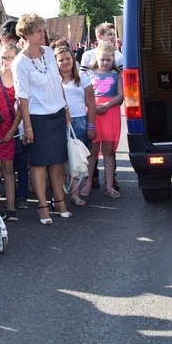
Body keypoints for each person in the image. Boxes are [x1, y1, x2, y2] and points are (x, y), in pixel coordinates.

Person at [12, 13, 72, 225]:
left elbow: (57, 83)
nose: (42, 33)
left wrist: (65, 108)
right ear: (27, 34)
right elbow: (23, 97)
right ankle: (43, 207)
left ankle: (60, 202)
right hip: (36, 118)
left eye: (42, 29)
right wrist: (27, 126)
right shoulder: (19, 62)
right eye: (38, 30)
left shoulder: (48, 52)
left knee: (57, 161)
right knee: (38, 164)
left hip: (56, 115)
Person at [80, 22, 123, 191]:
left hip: (110, 112)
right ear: (96, 58)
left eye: (108, 59)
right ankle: (88, 182)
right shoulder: (88, 73)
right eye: (102, 59)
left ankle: (110, 184)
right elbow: (82, 93)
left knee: (109, 150)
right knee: (92, 149)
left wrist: (107, 104)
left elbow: (121, 95)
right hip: (93, 112)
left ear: (113, 59)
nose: (105, 62)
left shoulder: (116, 73)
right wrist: (92, 107)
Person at [56, 46, 96, 206]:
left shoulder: (83, 79)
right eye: (61, 60)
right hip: (59, 123)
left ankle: (75, 193)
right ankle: (60, 193)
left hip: (79, 122)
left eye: (68, 58)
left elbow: (91, 104)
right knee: (60, 159)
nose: (65, 62)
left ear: (73, 59)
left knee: (77, 157)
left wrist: (91, 126)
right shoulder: (54, 80)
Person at [0, 44, 23, 220]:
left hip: (10, 127)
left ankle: (10, 208)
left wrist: (13, 129)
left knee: (8, 168)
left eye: (10, 57)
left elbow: (22, 108)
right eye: (3, 57)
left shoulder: (20, 79)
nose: (6, 61)